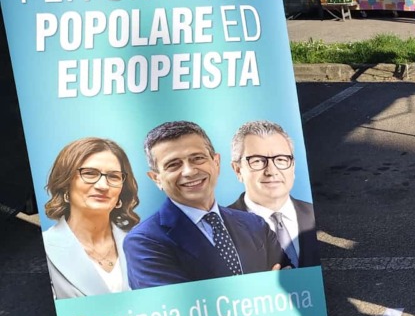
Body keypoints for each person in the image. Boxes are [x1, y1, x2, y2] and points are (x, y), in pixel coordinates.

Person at [124, 121, 290, 289]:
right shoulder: (144, 242)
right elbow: (179, 308)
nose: (189, 171)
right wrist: (265, 288)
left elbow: (292, 284)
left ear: (216, 163)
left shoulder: (255, 225)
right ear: (156, 178)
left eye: (197, 158)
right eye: (173, 164)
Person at [41, 137, 142, 299]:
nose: (103, 185)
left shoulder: (145, 242)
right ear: (66, 184)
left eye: (113, 177)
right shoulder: (44, 249)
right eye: (89, 173)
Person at [226, 120, 318, 268]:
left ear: (292, 166)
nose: (271, 171)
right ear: (237, 170)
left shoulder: (315, 214)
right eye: (257, 161)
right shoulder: (219, 230)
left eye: (281, 159)